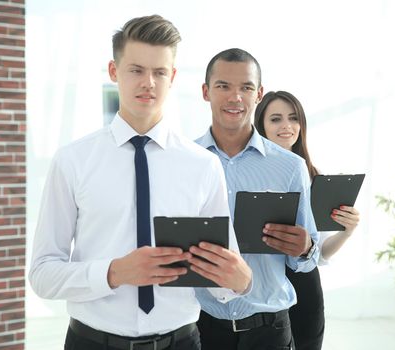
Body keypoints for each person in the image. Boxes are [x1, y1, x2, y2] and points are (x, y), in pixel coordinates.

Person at [29, 15, 252, 350]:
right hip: (92, 342)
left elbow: (222, 275)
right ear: (113, 71)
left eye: (159, 72)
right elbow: (43, 275)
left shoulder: (204, 165)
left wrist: (241, 281)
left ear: (172, 77)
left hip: (181, 342)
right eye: (136, 69)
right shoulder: (72, 160)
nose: (148, 82)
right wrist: (115, 272)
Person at [194, 48, 320, 350]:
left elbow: (308, 258)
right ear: (206, 92)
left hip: (269, 331)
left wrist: (304, 248)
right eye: (223, 86)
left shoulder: (290, 166)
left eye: (246, 87)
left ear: (258, 94)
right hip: (200, 328)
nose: (235, 97)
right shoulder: (185, 161)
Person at [254, 90, 360, 350]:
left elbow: (321, 252)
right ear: (261, 126)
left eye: (293, 118)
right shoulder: (247, 176)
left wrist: (346, 232)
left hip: (304, 288)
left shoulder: (314, 177)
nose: (286, 126)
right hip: (260, 287)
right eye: (276, 119)